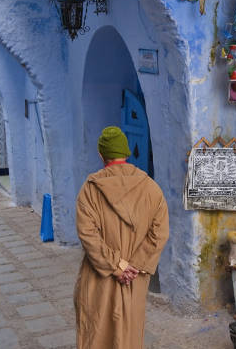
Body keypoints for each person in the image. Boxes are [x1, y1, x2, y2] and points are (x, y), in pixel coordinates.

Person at [74, 127, 169, 349]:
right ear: (126, 152)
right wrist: (133, 266)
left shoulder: (90, 190)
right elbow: (160, 233)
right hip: (135, 277)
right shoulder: (151, 188)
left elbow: (88, 234)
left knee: (96, 332)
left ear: (101, 155)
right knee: (129, 333)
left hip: (99, 275)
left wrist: (117, 265)